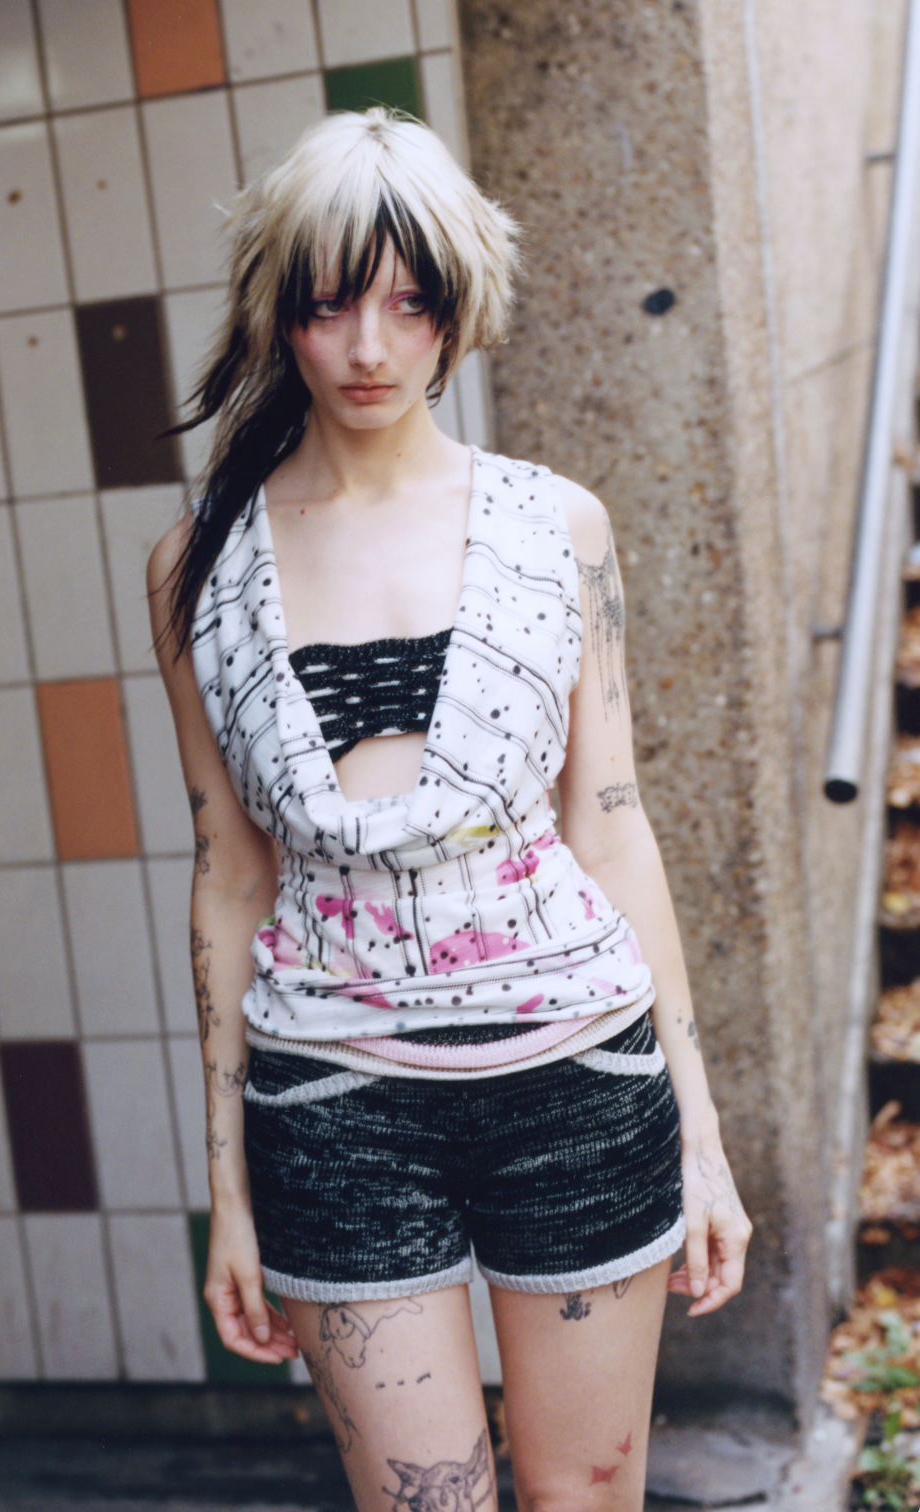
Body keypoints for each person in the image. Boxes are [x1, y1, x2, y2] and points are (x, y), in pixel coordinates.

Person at [147, 108, 752, 1512]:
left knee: (584, 1493)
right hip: (333, 1098)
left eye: (410, 304)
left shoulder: (557, 527)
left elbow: (612, 824)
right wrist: (230, 1192)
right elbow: (228, 875)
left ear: (456, 311)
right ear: (277, 313)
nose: (370, 347)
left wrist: (701, 1136)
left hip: (579, 1074)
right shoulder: (199, 566)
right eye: (329, 304)